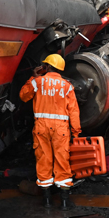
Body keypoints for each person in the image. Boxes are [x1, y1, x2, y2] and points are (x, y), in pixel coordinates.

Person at [19, 54, 81, 209]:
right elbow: (74, 111)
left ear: (46, 67)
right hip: (61, 128)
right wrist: (76, 132)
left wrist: (32, 77)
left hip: (41, 127)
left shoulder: (37, 82)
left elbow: (23, 96)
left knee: (44, 160)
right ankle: (65, 202)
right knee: (62, 161)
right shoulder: (67, 86)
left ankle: (47, 201)